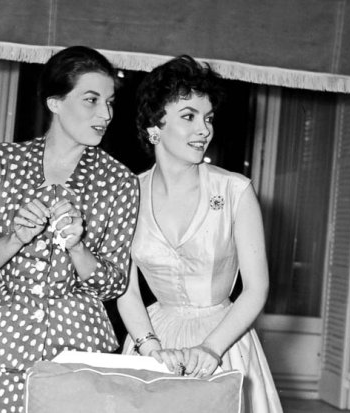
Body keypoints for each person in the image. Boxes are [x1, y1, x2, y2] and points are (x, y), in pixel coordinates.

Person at [0, 46, 139, 413]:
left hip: (79, 351)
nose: (105, 113)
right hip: (2, 346)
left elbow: (114, 283)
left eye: (110, 102)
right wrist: (15, 238)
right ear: (55, 102)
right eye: (91, 100)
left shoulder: (119, 181)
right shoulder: (0, 162)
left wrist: (78, 247)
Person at [117, 55, 282, 413]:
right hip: (153, 340)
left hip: (223, 341)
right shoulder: (127, 194)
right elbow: (125, 288)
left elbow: (256, 289)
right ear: (153, 127)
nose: (204, 129)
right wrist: (149, 348)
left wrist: (211, 349)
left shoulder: (236, 190)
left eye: (207, 118)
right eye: (189, 116)